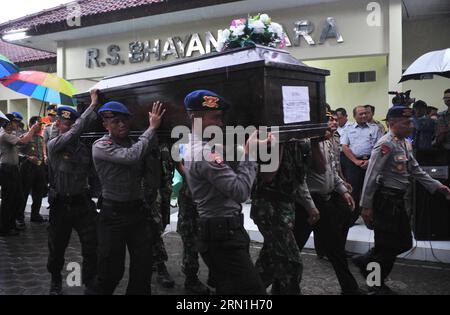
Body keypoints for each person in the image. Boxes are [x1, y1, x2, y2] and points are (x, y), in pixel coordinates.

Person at [183, 89, 271, 295]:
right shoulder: (205, 153)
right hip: (222, 235)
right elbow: (240, 192)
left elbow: (221, 149)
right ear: (196, 118)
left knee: (229, 288)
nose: (221, 123)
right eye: (216, 117)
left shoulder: (195, 145)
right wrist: (249, 154)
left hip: (218, 230)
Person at [355, 105, 450, 294]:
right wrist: (366, 206)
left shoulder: (405, 143)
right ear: (393, 123)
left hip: (398, 202)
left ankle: (366, 261)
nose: (412, 126)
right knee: (385, 247)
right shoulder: (385, 144)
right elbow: (371, 175)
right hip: (385, 201)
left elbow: (416, 170)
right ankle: (374, 284)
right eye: (407, 122)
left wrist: (436, 186)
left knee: (404, 243)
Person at [93, 100, 165, 295]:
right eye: (115, 121)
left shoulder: (135, 143)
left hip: (137, 213)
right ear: (105, 125)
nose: (122, 124)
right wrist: (151, 128)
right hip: (113, 216)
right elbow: (130, 157)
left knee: (143, 268)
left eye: (124, 120)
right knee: (110, 271)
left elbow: (149, 174)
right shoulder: (101, 145)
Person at [294, 112, 362, 295]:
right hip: (306, 206)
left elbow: (331, 172)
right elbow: (299, 180)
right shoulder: (305, 144)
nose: (333, 123)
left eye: (334, 119)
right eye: (328, 120)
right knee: (293, 251)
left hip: (324, 202)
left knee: (336, 249)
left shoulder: (328, 142)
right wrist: (310, 206)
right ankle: (280, 287)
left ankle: (350, 288)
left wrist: (342, 191)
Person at [46, 91, 100, 295]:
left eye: (69, 123)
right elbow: (75, 132)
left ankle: (89, 280)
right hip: (61, 205)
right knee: (57, 247)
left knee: (91, 245)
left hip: (82, 203)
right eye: (62, 123)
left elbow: (93, 174)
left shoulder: (84, 149)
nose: (65, 126)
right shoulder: (54, 146)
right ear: (58, 124)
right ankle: (55, 279)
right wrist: (92, 105)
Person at [251, 140, 308, 295]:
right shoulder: (267, 140)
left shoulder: (299, 143)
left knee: (268, 262)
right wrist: (280, 141)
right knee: (292, 263)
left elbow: (305, 176)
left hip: (286, 207)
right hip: (269, 207)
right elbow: (268, 175)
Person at [341, 106, 383, 229]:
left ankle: (372, 218)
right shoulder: (348, 129)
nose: (364, 116)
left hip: (371, 161)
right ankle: (352, 217)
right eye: (361, 114)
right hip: (354, 163)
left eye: (365, 113)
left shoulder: (375, 128)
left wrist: (370, 161)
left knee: (372, 190)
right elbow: (345, 146)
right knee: (353, 190)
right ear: (354, 116)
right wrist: (356, 161)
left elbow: (380, 147)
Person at [0, 112, 40, 236]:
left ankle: (11, 224)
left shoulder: (10, 134)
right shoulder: (4, 135)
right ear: (7, 123)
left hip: (13, 170)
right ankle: (4, 228)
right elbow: (23, 142)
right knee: (8, 200)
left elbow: (18, 149)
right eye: (15, 122)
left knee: (18, 198)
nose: (17, 124)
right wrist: (32, 129)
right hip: (7, 170)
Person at [17, 116, 47, 226]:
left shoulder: (41, 138)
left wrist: (44, 158)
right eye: (38, 124)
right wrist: (28, 157)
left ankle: (35, 214)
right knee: (24, 193)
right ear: (31, 125)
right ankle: (20, 216)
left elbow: (42, 151)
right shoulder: (25, 137)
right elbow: (18, 152)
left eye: (41, 125)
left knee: (38, 193)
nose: (40, 127)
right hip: (28, 167)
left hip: (39, 168)